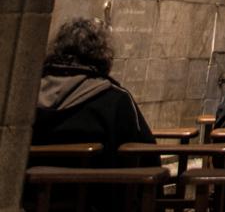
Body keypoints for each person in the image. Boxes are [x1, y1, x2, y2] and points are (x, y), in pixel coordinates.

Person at [32, 17, 154, 156]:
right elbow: (146, 151)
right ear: (102, 54)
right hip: (95, 177)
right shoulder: (115, 99)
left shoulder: (28, 93)